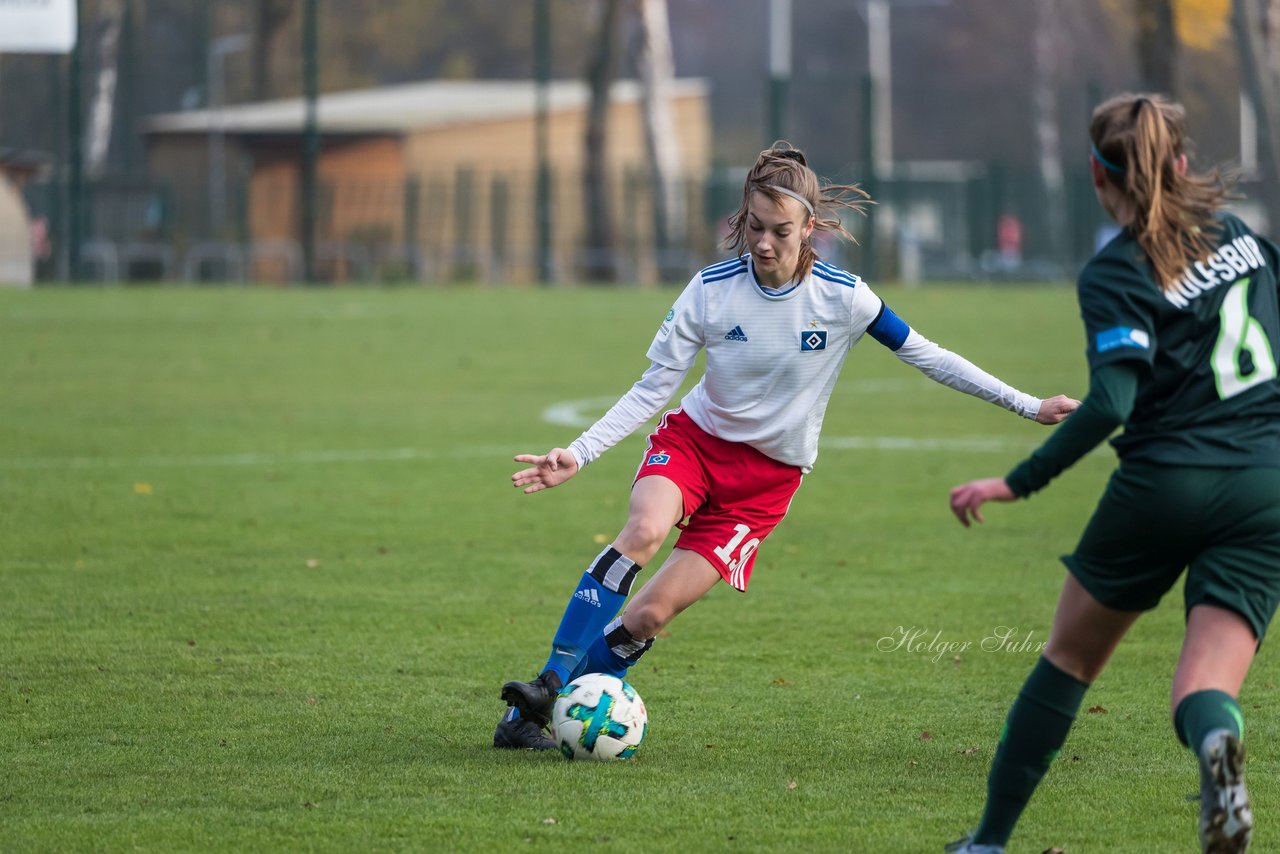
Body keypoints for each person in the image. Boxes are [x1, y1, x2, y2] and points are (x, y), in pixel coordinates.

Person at [494, 142, 1079, 751]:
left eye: (780, 231)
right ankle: (550, 682)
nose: (764, 243)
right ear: (740, 221)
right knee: (642, 532)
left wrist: (1027, 404)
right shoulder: (710, 290)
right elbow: (654, 389)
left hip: (765, 486)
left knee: (649, 617)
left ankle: (536, 720)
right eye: (753, 227)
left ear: (812, 230)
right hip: (695, 445)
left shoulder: (845, 298)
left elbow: (929, 357)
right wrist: (578, 453)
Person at [945, 93, 1280, 854]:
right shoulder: (1244, 237)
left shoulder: (1114, 271)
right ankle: (1216, 752)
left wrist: (1017, 481)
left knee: (1068, 659)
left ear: (1099, 179)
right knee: (1205, 687)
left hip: (1167, 483)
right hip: (1267, 482)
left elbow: (1113, 400)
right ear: (1184, 165)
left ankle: (989, 841)